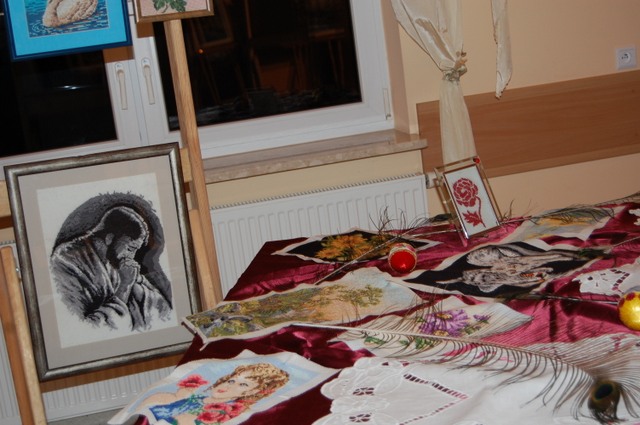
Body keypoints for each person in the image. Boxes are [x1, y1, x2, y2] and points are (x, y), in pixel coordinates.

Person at [50, 205, 172, 331]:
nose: (131, 257)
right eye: (130, 249)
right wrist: (124, 286)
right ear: (109, 238)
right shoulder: (64, 263)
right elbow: (86, 328)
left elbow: (156, 305)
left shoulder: (115, 261)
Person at [140, 363, 290, 424]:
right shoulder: (200, 397)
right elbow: (170, 401)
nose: (229, 385)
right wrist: (179, 395)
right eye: (232, 380)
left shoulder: (224, 410)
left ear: (252, 391)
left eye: (243, 384)